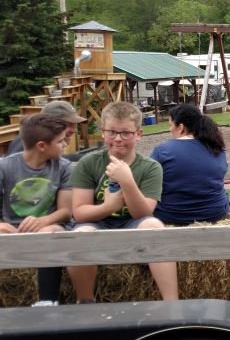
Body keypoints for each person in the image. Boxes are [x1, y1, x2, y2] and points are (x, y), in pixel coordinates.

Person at [67, 102, 178, 303]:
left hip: (132, 222)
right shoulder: (89, 163)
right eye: (112, 132)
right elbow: (79, 213)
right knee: (80, 235)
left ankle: (171, 303)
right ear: (103, 132)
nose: (118, 139)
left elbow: (144, 213)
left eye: (126, 133)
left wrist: (127, 181)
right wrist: (108, 207)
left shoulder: (150, 167)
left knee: (154, 226)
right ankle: (85, 301)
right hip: (95, 224)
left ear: (138, 134)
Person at [0, 114, 72, 306]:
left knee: (48, 234)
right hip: (13, 230)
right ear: (42, 146)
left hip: (50, 227)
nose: (65, 144)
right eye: (60, 141)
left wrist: (44, 221)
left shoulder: (64, 167)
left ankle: (47, 301)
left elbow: (66, 211)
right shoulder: (5, 167)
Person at [150, 104, 229, 225]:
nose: (169, 130)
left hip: (172, 215)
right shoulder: (217, 147)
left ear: (181, 127)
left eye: (171, 125)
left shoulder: (163, 150)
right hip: (215, 213)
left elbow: (148, 185)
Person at [5, 101, 87, 158]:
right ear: (49, 123)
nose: (74, 130)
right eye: (69, 124)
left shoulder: (42, 139)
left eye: (75, 125)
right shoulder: (28, 143)